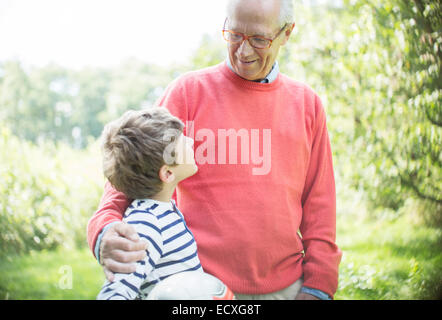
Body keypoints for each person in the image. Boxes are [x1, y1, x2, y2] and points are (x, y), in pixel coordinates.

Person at [88, 0, 342, 300]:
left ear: (286, 33)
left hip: (286, 289)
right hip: (196, 288)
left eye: (259, 39)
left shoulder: (306, 104)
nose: (243, 51)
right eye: (234, 35)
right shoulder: (186, 93)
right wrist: (104, 229)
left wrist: (317, 288)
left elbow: (320, 206)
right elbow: (130, 174)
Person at [96, 107, 202, 299]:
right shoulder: (146, 225)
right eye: (182, 142)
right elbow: (114, 293)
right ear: (167, 173)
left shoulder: (163, 210)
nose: (191, 141)